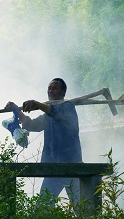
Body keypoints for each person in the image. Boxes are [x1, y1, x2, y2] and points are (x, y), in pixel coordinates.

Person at [6, 78, 106, 207]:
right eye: (49, 88)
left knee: (81, 208)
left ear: (63, 92)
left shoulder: (68, 107)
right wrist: (16, 110)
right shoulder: (47, 115)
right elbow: (31, 125)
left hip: (72, 167)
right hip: (53, 168)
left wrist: (37, 104)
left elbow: (56, 113)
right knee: (43, 207)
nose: (51, 91)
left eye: (55, 88)